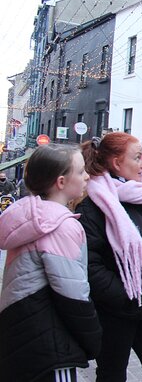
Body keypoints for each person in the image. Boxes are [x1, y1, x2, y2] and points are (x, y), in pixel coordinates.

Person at [76, 133, 142, 381]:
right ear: (116, 163)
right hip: (115, 312)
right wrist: (126, 297)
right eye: (137, 157)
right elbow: (89, 265)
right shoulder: (93, 204)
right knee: (112, 375)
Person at [0, 144, 102, 382]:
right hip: (51, 342)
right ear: (61, 182)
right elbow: (73, 294)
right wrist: (93, 339)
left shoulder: (27, 217)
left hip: (20, 330)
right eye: (80, 171)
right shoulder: (60, 225)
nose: (87, 175)